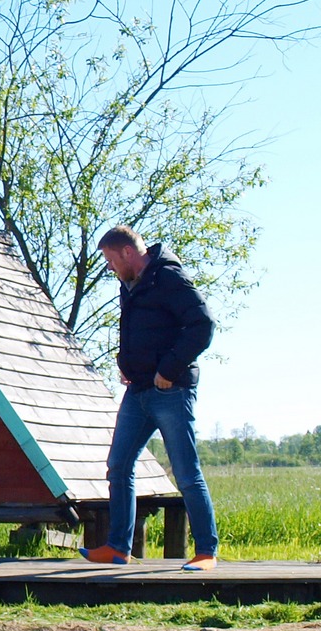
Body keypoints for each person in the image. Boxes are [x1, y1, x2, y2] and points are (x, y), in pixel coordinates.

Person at [83, 225, 221, 570]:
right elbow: (137, 332)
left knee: (186, 472)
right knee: (119, 465)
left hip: (170, 390)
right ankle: (118, 548)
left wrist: (169, 368)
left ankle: (206, 552)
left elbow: (203, 325)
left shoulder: (168, 277)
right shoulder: (129, 285)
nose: (110, 267)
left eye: (111, 260)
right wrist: (125, 363)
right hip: (138, 390)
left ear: (128, 252)